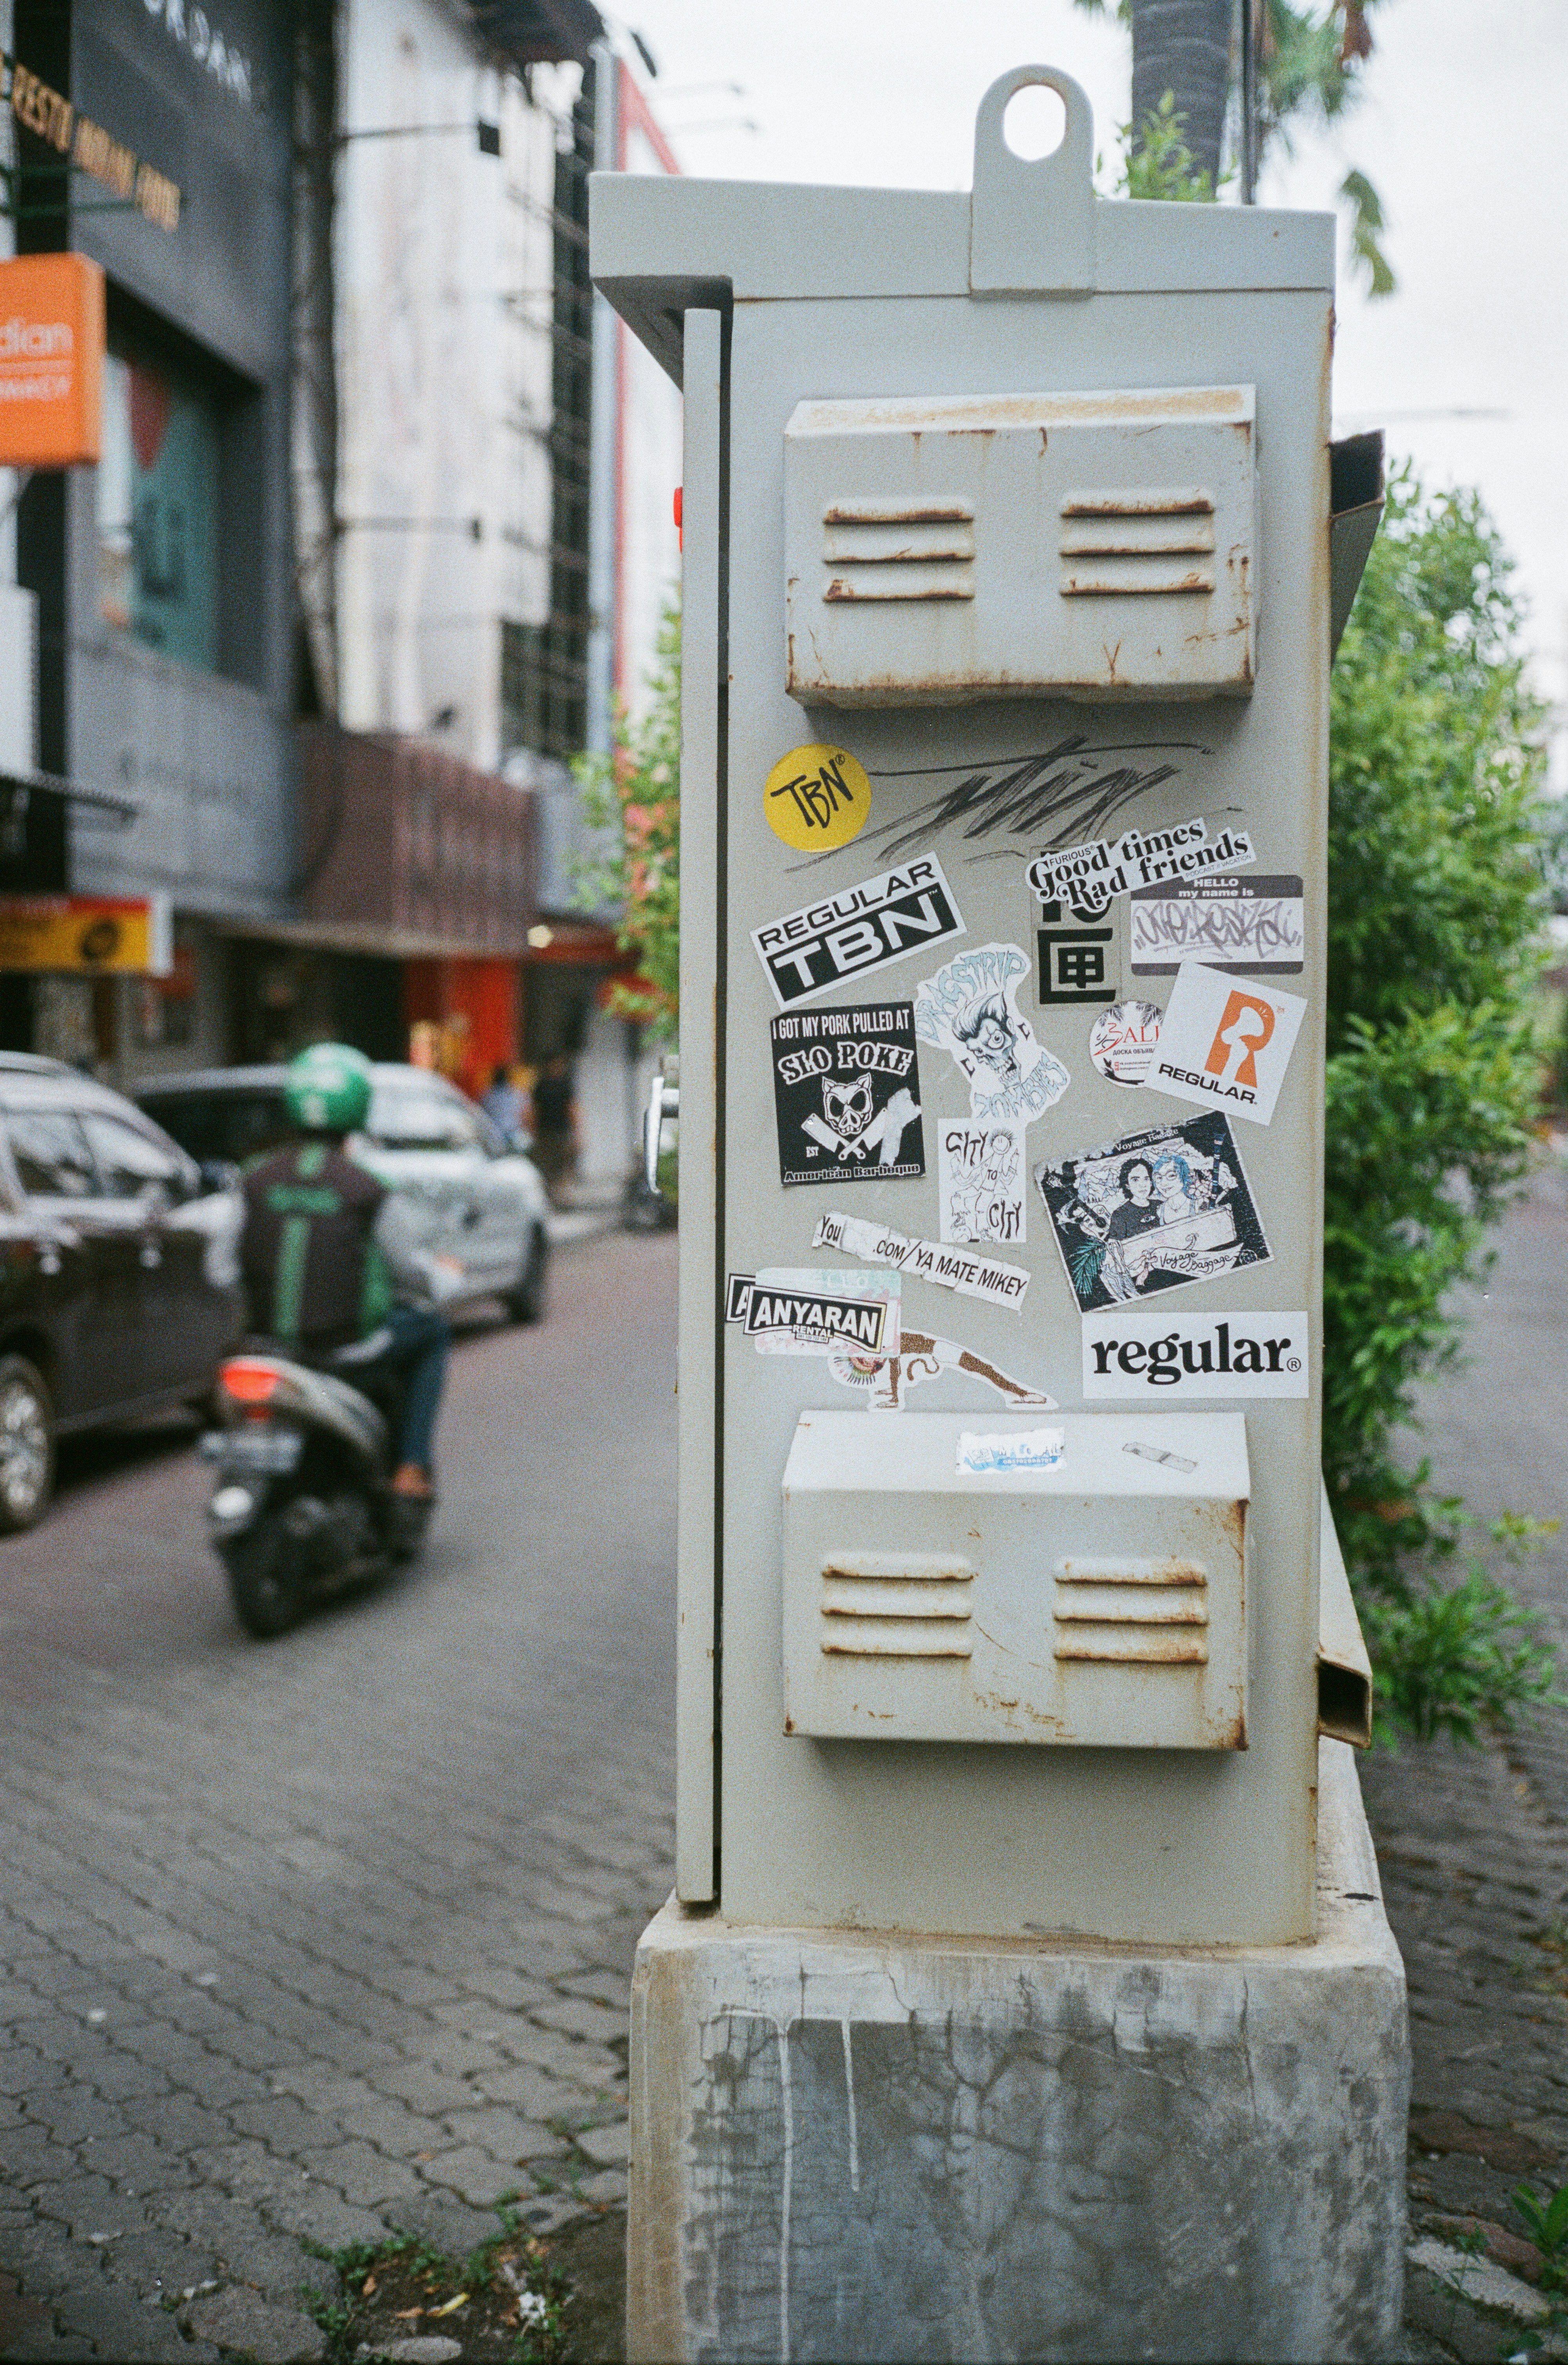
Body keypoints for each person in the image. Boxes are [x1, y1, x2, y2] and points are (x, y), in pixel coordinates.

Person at [239, 1043, 454, 1500]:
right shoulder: (370, 1187)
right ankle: (411, 1467)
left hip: (267, 1348)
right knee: (432, 1331)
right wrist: (446, 1280)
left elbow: (219, 1270)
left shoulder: (252, 1180)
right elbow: (412, 1271)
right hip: (347, 1350)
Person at [531, 1052, 577, 1202]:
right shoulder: (560, 1085)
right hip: (553, 1132)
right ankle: (557, 1197)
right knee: (556, 1166)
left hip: (552, 1132)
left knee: (555, 1166)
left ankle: (555, 1196)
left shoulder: (542, 1085)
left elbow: (534, 1111)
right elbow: (572, 1110)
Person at [481, 1061, 529, 1144]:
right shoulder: (517, 1094)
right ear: (508, 1078)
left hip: (495, 1133)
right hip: (513, 1132)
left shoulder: (487, 1095)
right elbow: (525, 1114)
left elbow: (483, 1113)